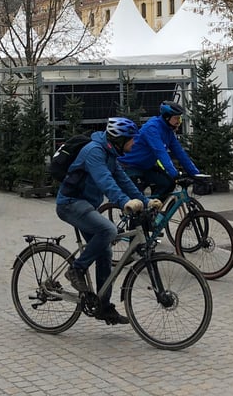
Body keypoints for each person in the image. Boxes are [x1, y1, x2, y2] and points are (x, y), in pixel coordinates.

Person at [56, 117, 160, 325]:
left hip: (86, 206)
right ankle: (76, 269)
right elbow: (105, 181)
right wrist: (124, 203)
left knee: (105, 251)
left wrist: (146, 201)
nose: (134, 143)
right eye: (131, 139)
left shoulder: (111, 153)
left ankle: (103, 306)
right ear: (119, 139)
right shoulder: (95, 151)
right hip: (70, 204)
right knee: (108, 230)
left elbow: (124, 181)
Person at [117, 100, 201, 204]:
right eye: (176, 118)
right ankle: (141, 216)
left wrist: (196, 174)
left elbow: (180, 153)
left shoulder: (168, 131)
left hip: (146, 166)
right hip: (130, 165)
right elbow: (160, 152)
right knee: (138, 202)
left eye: (179, 118)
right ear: (167, 117)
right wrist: (174, 174)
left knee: (168, 183)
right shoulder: (152, 128)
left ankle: (153, 210)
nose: (178, 121)